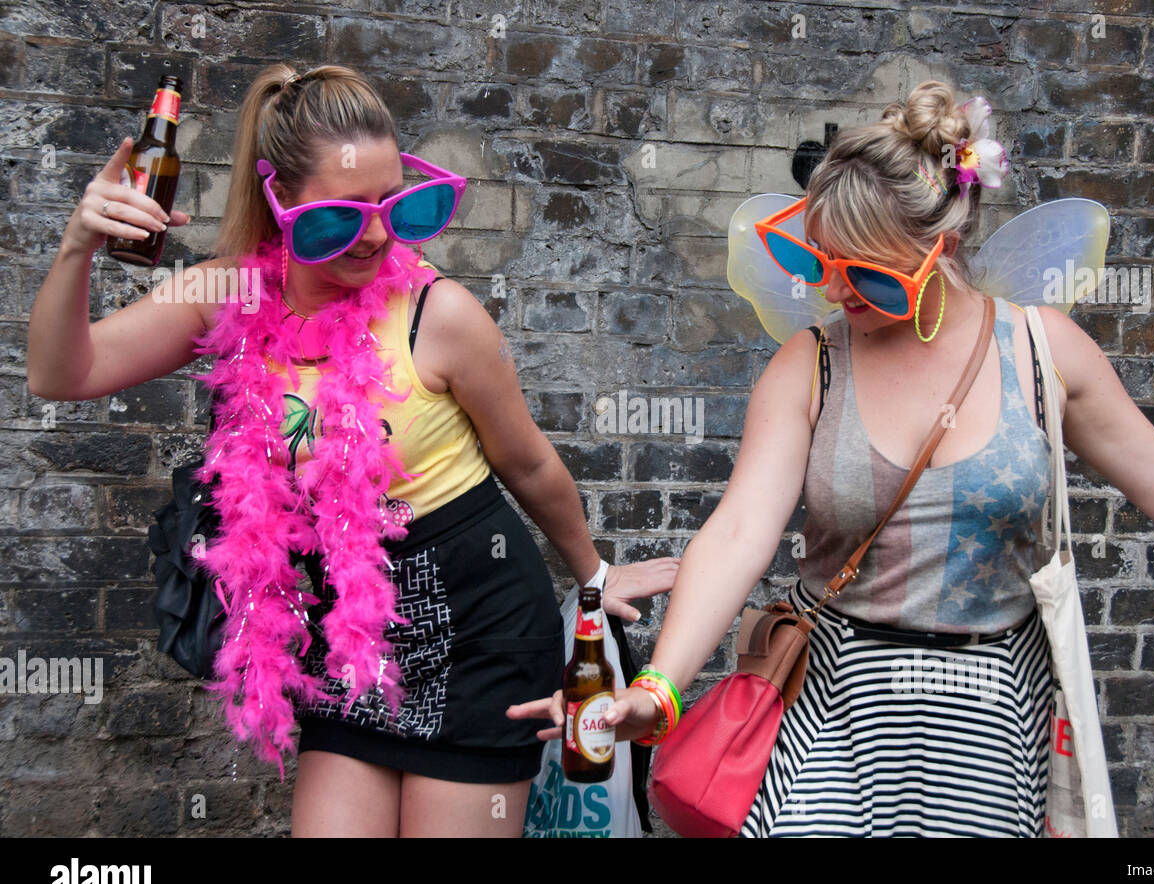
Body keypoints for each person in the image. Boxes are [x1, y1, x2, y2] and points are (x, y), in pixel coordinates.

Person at [511, 79, 1154, 837]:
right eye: (819, 262)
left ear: (942, 244)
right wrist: (657, 689)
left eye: (869, 274)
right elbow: (741, 530)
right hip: (832, 716)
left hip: (993, 723)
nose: (837, 291)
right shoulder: (812, 362)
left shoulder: (1038, 351)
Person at [25, 63, 677, 838]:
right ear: (277, 202)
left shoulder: (440, 315)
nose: (373, 235)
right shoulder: (227, 294)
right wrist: (77, 246)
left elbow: (529, 462)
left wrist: (596, 580)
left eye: (396, 206)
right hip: (351, 642)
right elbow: (62, 373)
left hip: (482, 634)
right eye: (339, 216)